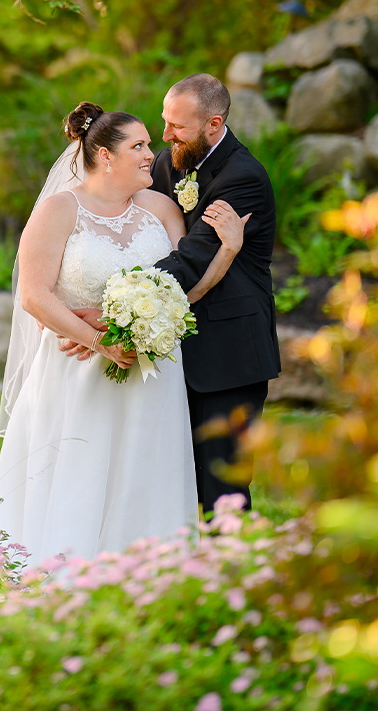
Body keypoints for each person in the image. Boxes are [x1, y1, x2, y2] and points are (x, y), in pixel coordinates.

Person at [0, 102, 247, 565]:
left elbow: (183, 291)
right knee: (79, 473)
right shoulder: (58, 210)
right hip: (77, 370)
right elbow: (34, 295)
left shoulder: (162, 208)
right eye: (139, 146)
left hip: (152, 376)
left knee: (146, 473)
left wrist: (228, 250)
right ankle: (62, 572)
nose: (153, 154)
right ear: (105, 156)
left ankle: (151, 575)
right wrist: (99, 341)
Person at [147, 74, 280, 511]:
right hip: (174, 346)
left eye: (177, 127)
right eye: (165, 122)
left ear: (214, 123)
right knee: (170, 479)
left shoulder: (244, 178)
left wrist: (123, 299)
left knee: (222, 489)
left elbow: (192, 258)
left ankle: (232, 574)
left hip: (229, 354)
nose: (165, 135)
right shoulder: (170, 162)